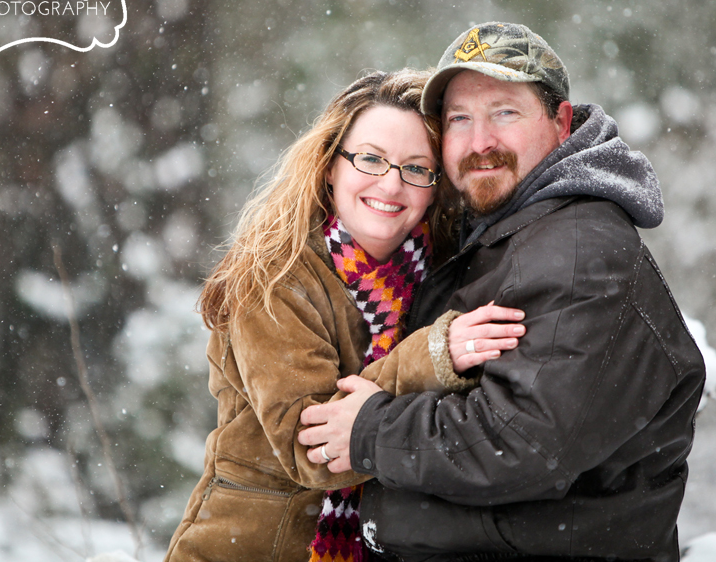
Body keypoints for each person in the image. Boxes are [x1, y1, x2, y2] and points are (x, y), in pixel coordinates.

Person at [299, 22, 707, 562]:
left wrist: (373, 430)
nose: (480, 142)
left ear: (561, 122)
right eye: (460, 120)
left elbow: (521, 441)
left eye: (504, 113)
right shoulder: (502, 234)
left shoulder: (579, 250)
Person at [164, 69, 526, 562]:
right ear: (331, 165)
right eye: (372, 159)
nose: (391, 184)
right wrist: (433, 354)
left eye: (416, 168)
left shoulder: (443, 272)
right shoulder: (274, 279)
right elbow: (311, 448)